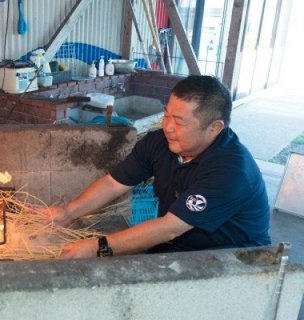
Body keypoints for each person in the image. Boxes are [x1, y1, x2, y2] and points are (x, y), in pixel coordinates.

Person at [47, 75, 271, 259]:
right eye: (166, 115)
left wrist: (98, 246)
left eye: (180, 122)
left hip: (232, 258)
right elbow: (113, 183)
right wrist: (67, 213)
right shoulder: (160, 142)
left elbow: (169, 227)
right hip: (175, 247)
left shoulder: (231, 171)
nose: (168, 127)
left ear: (214, 128)